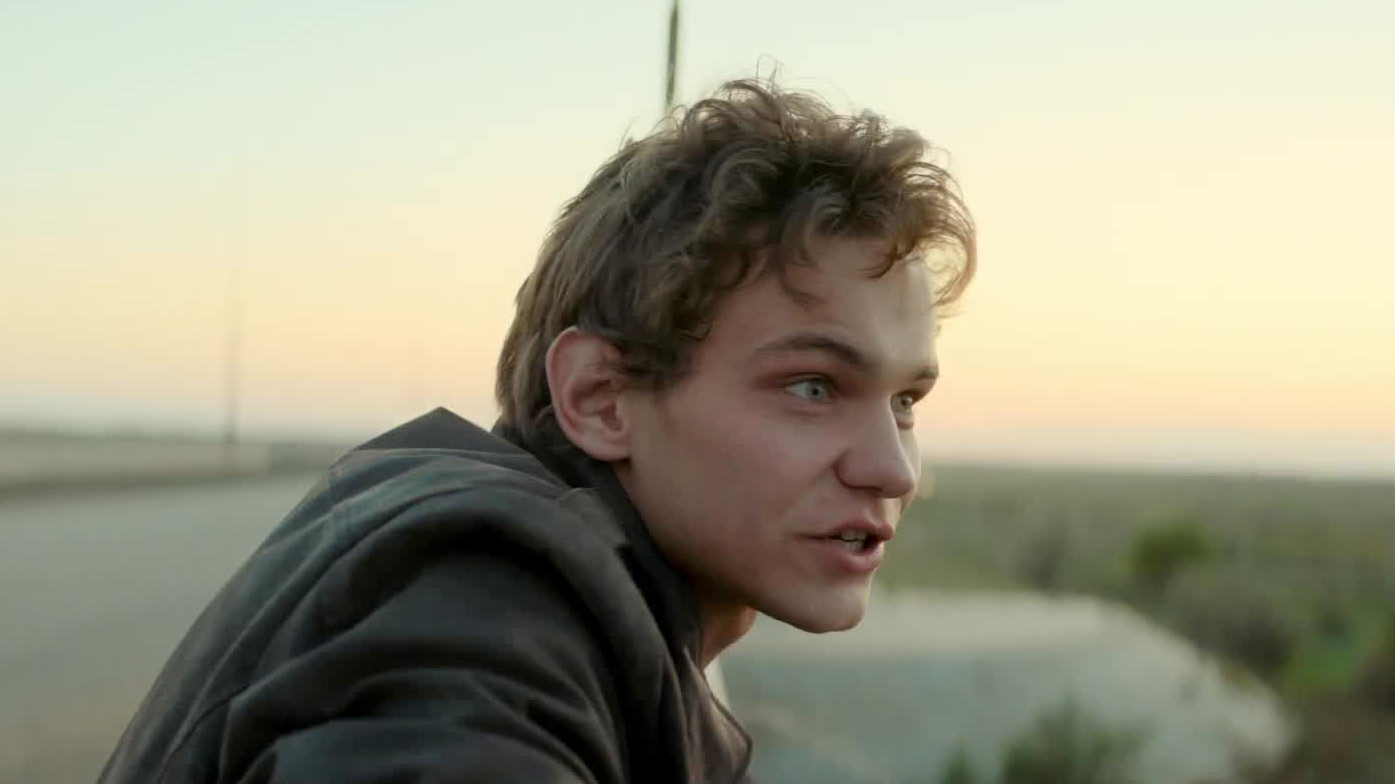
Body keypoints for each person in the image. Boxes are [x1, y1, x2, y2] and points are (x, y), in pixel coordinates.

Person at [96, 77, 975, 784]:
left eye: (905, 400)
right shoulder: (478, 628)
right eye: (814, 387)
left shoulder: (558, 600)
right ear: (600, 396)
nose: (894, 470)